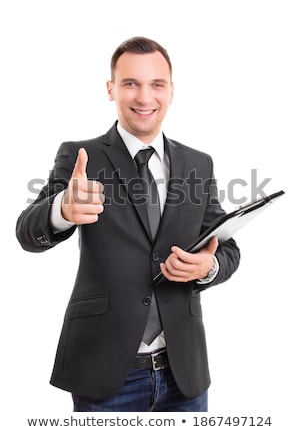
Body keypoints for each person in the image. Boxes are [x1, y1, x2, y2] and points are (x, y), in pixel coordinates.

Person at [16, 36, 240, 412]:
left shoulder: (198, 164)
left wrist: (208, 266)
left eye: (156, 84)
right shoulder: (80, 155)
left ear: (171, 91)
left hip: (183, 371)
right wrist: (61, 210)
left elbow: (227, 247)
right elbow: (27, 232)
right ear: (111, 89)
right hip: (105, 370)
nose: (144, 97)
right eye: (130, 83)